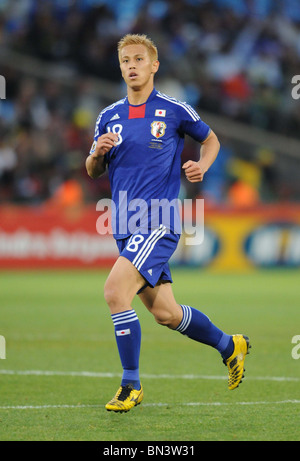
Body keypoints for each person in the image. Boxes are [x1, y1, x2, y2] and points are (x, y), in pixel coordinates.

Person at [86, 34, 250, 413]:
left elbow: (211, 141)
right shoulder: (108, 116)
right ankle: (230, 346)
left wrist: (202, 166)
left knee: (114, 292)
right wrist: (97, 152)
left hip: (158, 221)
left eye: (138, 59)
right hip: (125, 225)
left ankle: (131, 385)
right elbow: (92, 169)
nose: (131, 65)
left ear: (154, 65)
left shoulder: (174, 110)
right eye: (125, 60)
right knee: (166, 314)